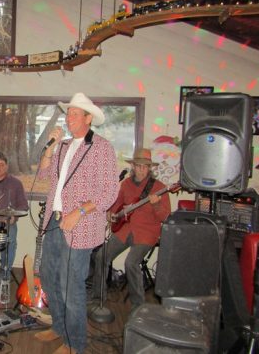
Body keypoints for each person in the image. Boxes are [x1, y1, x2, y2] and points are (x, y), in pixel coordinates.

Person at [34, 92, 119, 354]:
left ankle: (76, 345)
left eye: (74, 113)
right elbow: (43, 173)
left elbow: (109, 192)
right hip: (53, 221)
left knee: (71, 287)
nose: (68, 118)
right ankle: (59, 327)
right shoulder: (62, 146)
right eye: (67, 113)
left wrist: (79, 211)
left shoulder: (102, 147)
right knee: (49, 278)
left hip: (79, 226)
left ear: (88, 118)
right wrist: (50, 146)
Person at [91, 148, 171, 314]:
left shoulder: (159, 187)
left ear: (150, 168)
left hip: (146, 233)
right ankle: (98, 298)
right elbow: (117, 203)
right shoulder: (126, 184)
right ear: (133, 166)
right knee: (101, 256)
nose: (141, 169)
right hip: (125, 229)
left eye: (145, 166)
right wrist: (111, 213)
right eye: (138, 166)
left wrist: (156, 204)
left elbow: (165, 217)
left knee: (131, 263)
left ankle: (138, 307)